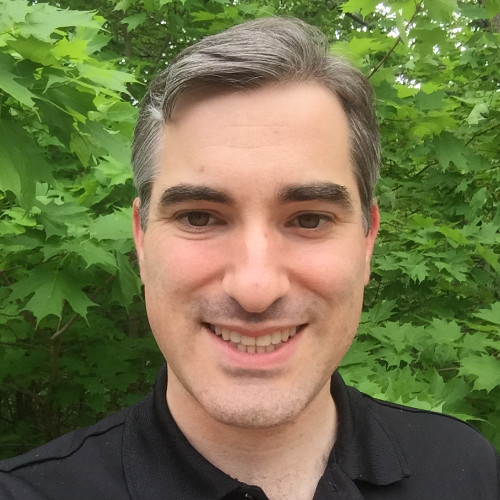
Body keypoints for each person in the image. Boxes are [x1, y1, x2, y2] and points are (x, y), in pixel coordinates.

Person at [0, 16, 498, 500]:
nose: (255, 288)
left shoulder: (467, 472)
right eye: (199, 218)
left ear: (367, 242)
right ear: (142, 240)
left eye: (309, 219)